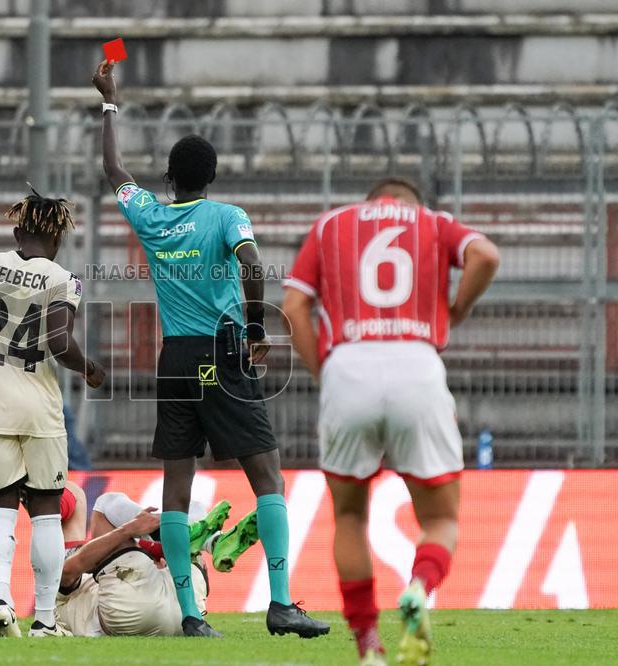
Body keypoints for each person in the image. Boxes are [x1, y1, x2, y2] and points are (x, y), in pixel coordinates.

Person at [92, 59, 329, 639]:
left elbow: (113, 169)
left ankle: (190, 616)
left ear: (170, 179)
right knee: (267, 477)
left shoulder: (150, 214)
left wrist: (108, 104)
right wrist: (254, 329)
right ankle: (279, 603)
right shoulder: (226, 215)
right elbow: (251, 264)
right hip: (221, 356)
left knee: (177, 486)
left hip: (176, 361)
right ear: (212, 177)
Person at [282, 178, 500, 665]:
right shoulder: (433, 224)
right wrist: (456, 309)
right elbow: (486, 255)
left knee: (350, 517)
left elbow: (294, 305)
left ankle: (369, 647)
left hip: (348, 365)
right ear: (409, 204)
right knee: (441, 519)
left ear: (372, 202)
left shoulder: (330, 225)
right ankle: (420, 587)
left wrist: (326, 372)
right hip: (416, 363)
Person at [0, 190, 106, 638]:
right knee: (47, 514)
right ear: (58, 240)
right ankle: (46, 621)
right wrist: (90, 368)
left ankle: (0, 600)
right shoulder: (64, 279)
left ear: (17, 232)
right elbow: (58, 343)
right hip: (38, 408)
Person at [56, 494, 261, 637]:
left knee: (192, 507)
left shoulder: (75, 587)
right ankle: (208, 540)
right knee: (104, 505)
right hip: (169, 607)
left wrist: (137, 531)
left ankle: (200, 537)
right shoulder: (58, 587)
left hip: (161, 606)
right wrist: (129, 529)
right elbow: (66, 573)